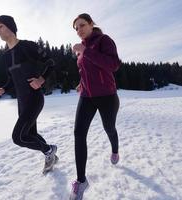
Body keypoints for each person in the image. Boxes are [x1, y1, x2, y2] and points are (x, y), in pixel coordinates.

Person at [0, 15, 58, 174]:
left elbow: (51, 62)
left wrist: (41, 79)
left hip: (34, 98)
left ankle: (49, 151)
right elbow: (11, 79)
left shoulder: (28, 46)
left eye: (0, 26)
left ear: (10, 27)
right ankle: (51, 155)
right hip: (21, 101)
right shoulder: (6, 56)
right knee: (30, 134)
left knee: (18, 137)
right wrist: (3, 89)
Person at [69, 13, 121, 200]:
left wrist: (85, 50)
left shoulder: (104, 40)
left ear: (91, 24)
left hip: (107, 96)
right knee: (78, 133)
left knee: (109, 128)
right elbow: (87, 71)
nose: (79, 30)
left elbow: (113, 64)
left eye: (82, 25)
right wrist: (82, 83)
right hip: (87, 96)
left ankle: (115, 150)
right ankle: (81, 181)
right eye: (76, 28)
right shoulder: (83, 48)